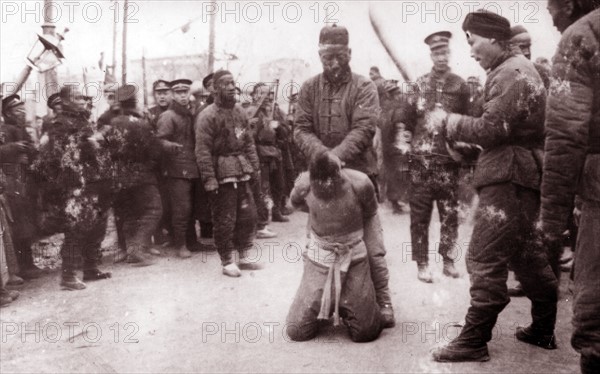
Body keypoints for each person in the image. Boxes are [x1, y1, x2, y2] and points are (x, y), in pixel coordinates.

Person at [431, 11, 558, 362]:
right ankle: (543, 329)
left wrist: (451, 122)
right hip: (517, 175)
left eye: (472, 42)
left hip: (509, 179)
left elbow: (492, 128)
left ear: (491, 38)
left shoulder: (512, 72)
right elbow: (505, 132)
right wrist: (469, 147)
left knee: (484, 256)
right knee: (525, 254)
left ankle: (473, 340)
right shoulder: (513, 69)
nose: (471, 52)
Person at [294, 23, 394, 328]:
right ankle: (319, 304)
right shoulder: (309, 88)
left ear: (348, 52)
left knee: (372, 246)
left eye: (338, 55)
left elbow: (364, 128)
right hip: (323, 179)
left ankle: (384, 299)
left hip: (359, 176)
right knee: (319, 244)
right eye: (326, 56)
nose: (332, 62)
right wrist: (323, 160)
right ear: (319, 54)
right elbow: (300, 128)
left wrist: (334, 158)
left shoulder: (365, 87)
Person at [541, 1, 600, 372]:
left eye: (552, 8)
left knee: (596, 325)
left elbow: (565, 135)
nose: (552, 18)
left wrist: (551, 221)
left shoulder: (582, 36)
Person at [286, 150, 383, 342]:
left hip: (353, 252)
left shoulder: (360, 183)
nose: (323, 188)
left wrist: (373, 247)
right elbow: (295, 204)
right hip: (320, 254)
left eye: (328, 183)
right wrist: (318, 225)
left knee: (366, 332)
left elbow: (371, 213)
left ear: (339, 174)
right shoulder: (304, 184)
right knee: (296, 330)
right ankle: (331, 304)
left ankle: (379, 302)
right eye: (318, 184)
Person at [35, 85, 113, 290]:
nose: (83, 100)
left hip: (91, 182)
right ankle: (68, 276)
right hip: (74, 185)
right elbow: (64, 157)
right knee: (76, 229)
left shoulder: (81, 120)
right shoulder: (60, 125)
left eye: (83, 98)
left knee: (97, 225)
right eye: (78, 98)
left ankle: (90, 268)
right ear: (66, 101)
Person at [409, 31, 469, 282]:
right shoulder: (419, 84)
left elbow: (468, 120)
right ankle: (422, 263)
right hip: (422, 161)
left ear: (450, 53)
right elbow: (406, 119)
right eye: (436, 53)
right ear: (431, 55)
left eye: (444, 52)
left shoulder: (460, 84)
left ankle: (448, 260)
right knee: (419, 216)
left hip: (447, 160)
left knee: (449, 214)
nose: (441, 57)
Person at [195, 70, 261, 277]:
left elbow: (246, 141)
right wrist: (209, 179)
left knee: (247, 215)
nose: (232, 87)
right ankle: (226, 261)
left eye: (233, 83)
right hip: (221, 172)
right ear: (215, 88)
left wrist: (254, 166)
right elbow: (202, 150)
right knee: (225, 219)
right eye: (226, 84)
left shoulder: (240, 113)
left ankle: (244, 255)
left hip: (241, 169)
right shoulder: (207, 116)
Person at [107, 84, 163, 266]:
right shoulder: (141, 124)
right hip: (142, 175)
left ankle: (131, 249)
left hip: (119, 176)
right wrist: (149, 166)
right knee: (154, 210)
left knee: (129, 214)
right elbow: (155, 151)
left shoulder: (111, 125)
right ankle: (138, 248)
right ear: (134, 102)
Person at [156, 79, 203, 258]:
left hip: (191, 167)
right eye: (178, 93)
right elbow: (159, 140)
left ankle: (192, 241)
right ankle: (181, 245)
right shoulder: (169, 116)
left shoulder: (189, 114)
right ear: (173, 95)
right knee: (181, 209)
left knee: (191, 207)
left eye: (185, 92)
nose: (183, 96)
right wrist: (171, 146)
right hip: (176, 170)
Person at [0, 94, 42, 281]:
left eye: (22, 108)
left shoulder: (20, 129)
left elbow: (32, 150)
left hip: (23, 179)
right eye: (17, 109)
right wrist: (15, 148)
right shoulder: (5, 130)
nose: (22, 111)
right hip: (12, 181)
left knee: (27, 220)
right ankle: (22, 266)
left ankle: (28, 263)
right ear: (8, 112)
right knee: (18, 223)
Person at [147, 79, 173, 248]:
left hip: (175, 162)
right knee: (159, 200)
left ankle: (173, 233)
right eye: (159, 93)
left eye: (165, 92)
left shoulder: (178, 111)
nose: (162, 96)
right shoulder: (149, 114)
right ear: (154, 95)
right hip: (158, 164)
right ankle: (159, 235)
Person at [510, 25, 551, 89]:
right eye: (522, 47)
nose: (527, 52)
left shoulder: (541, 71)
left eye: (528, 46)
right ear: (510, 47)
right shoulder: (501, 73)